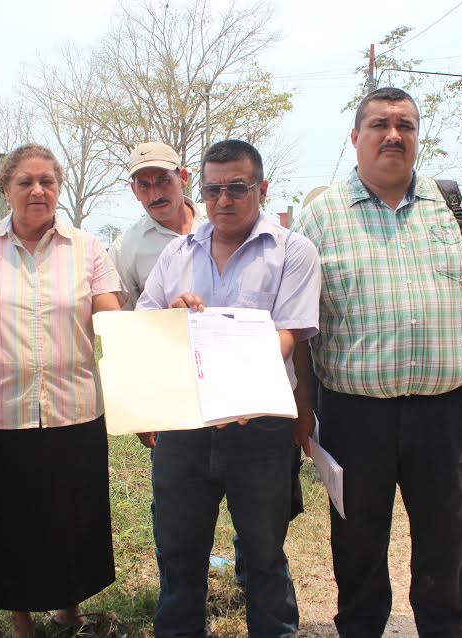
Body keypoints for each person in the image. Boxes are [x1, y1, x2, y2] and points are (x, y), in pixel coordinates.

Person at [291, 87, 462, 637]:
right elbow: (297, 325)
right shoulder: (320, 218)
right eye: (379, 125)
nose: (393, 135)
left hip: (445, 413)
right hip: (353, 414)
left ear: (417, 135)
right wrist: (302, 414)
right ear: (355, 138)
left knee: (445, 534)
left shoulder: (453, 205)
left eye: (405, 125)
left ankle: (446, 628)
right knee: (358, 538)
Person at [0, 143, 125, 638]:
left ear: (58, 189)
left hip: (72, 408)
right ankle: (20, 620)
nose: (38, 190)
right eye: (26, 182)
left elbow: (110, 320)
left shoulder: (87, 249)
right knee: (5, 519)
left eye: (47, 181)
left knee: (68, 516)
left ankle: (68, 609)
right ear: (6, 189)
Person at [136, 139, 320, 637]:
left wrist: (236, 384)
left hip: (258, 426)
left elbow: (288, 333)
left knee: (263, 553)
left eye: (237, 188)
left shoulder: (292, 252)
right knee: (178, 554)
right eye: (214, 189)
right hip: (185, 426)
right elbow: (146, 322)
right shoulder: (178, 252)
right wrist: (173, 317)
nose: (224, 200)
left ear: (261, 188)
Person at [109, 141, 206, 311]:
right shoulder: (124, 249)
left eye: (163, 181)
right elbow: (126, 321)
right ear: (134, 190)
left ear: (183, 178)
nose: (155, 195)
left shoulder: (217, 222)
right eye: (144, 186)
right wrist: (167, 319)